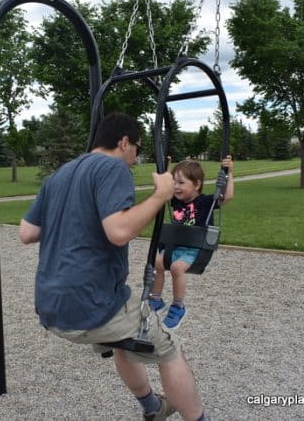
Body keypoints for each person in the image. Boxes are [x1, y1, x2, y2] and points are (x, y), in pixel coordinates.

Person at [19, 112, 207, 421]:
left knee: (125, 341)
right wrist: (160, 195)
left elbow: (27, 232)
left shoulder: (60, 174)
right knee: (170, 349)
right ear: (123, 142)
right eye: (137, 148)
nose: (136, 158)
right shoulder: (113, 168)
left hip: (51, 307)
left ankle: (153, 408)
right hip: (92, 304)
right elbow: (118, 232)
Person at [150, 157, 234, 329]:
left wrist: (229, 173)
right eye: (174, 182)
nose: (176, 187)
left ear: (196, 185)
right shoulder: (175, 200)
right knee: (157, 262)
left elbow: (227, 197)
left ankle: (178, 306)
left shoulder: (205, 202)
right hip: (174, 244)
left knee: (176, 268)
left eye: (181, 183)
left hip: (194, 249)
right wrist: (163, 167)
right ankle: (156, 300)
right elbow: (160, 189)